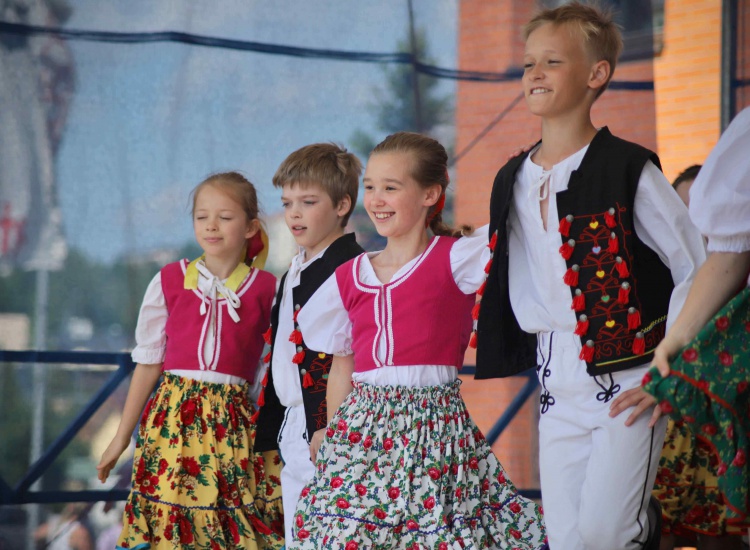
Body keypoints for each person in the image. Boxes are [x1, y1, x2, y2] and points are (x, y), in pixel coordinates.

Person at [473, 3, 707, 549]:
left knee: (609, 532)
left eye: (552, 61)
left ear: (596, 74)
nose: (535, 72)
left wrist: (668, 361)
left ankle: (642, 533)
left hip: (632, 376)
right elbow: (490, 257)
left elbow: (694, 264)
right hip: (555, 379)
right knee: (566, 537)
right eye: (529, 63)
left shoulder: (628, 167)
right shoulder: (512, 176)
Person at [288, 132, 547, 549]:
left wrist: (530, 172)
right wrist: (333, 433)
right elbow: (342, 364)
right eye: (370, 187)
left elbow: (517, 230)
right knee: (346, 533)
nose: (377, 199)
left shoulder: (455, 257)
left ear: (430, 194)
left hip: (433, 428)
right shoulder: (349, 276)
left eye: (391, 188)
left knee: (434, 534)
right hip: (361, 431)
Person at [96, 172, 283, 549]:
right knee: (170, 523)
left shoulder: (267, 290)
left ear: (250, 227)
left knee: (227, 524)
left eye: (225, 217)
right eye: (202, 216)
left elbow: (269, 370)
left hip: (232, 426)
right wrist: (120, 437)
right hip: (171, 422)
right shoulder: (169, 280)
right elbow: (148, 363)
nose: (211, 225)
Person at [644, 106, 750, 536]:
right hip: (690, 403)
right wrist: (672, 346)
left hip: (716, 396)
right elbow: (729, 256)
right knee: (667, 522)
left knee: (717, 529)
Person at [253, 142, 365, 543]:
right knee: (299, 536)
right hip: (292, 423)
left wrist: (333, 426)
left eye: (308, 202)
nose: (294, 213)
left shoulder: (351, 268)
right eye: (287, 203)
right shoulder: (294, 272)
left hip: (328, 425)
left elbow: (354, 356)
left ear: (342, 205)